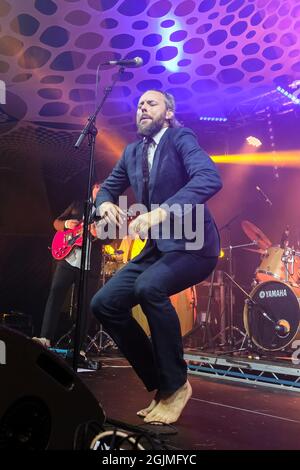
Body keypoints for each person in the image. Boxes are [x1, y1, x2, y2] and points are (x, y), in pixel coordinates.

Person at [91, 90, 222, 425]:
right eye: (138, 105)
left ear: (168, 112)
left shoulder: (180, 138)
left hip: (194, 245)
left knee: (149, 287)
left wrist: (161, 212)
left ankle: (177, 385)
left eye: (151, 103)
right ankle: (163, 385)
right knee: (104, 303)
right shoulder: (132, 151)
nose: (142, 108)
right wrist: (104, 203)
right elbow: (108, 188)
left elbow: (209, 177)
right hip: (158, 248)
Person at [35, 183, 102, 351]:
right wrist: (66, 225)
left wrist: (97, 235)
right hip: (68, 260)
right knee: (55, 296)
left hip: (89, 266)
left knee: (85, 306)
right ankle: (45, 338)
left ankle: (77, 348)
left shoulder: (107, 212)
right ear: (94, 188)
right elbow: (56, 223)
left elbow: (110, 238)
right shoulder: (77, 204)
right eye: (99, 187)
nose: (101, 191)